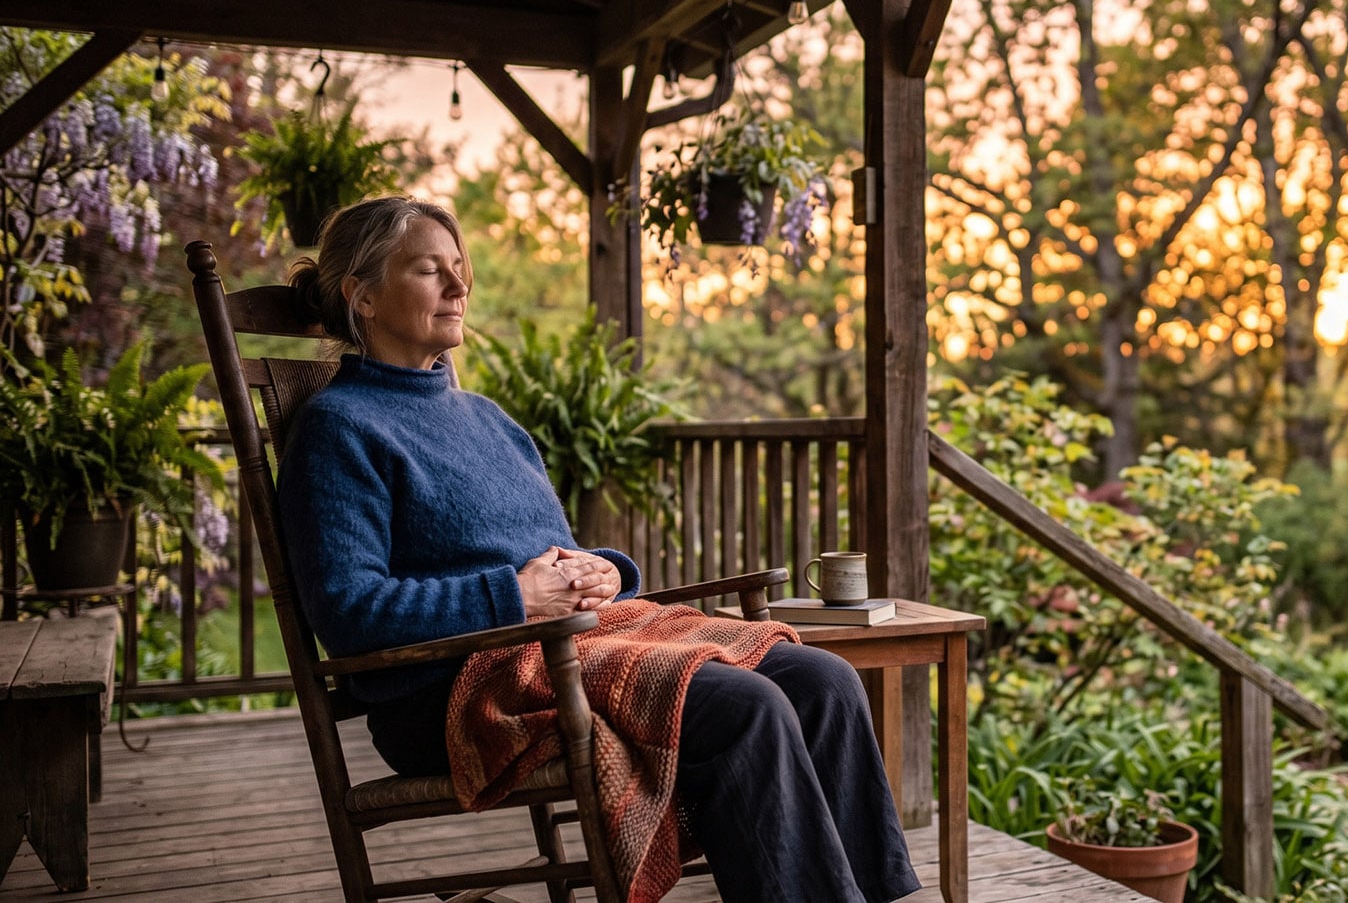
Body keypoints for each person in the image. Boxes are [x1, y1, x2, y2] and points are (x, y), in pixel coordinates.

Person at [275, 195, 918, 903]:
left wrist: (605, 570)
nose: (460, 288)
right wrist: (514, 596)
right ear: (361, 296)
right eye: (432, 271)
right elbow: (347, 611)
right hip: (454, 687)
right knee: (746, 707)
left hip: (568, 644)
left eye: (460, 269)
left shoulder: (487, 419)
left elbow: (548, 552)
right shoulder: (337, 430)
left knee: (825, 682)